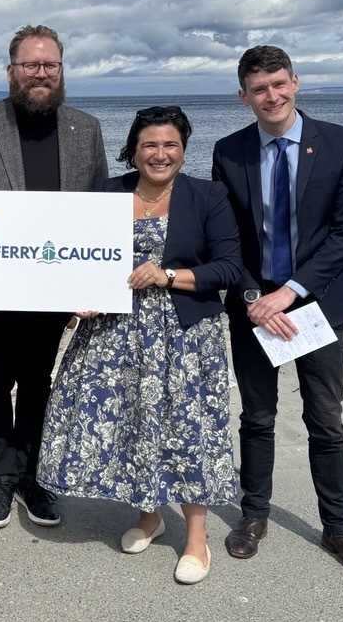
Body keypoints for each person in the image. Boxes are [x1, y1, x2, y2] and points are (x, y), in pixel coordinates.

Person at [37, 106, 242, 584]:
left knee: (187, 428)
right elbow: (77, 256)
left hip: (184, 335)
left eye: (170, 144)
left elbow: (229, 266)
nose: (160, 154)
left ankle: (196, 536)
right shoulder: (108, 191)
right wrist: (78, 298)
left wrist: (169, 275)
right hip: (115, 331)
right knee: (131, 420)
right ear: (133, 149)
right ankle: (148, 515)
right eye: (150, 144)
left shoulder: (207, 195)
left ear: (183, 150)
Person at [212, 45, 343, 581]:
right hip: (253, 309)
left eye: (279, 84)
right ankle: (253, 516)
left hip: (317, 306)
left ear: (296, 82)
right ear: (243, 97)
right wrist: (250, 300)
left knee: (325, 420)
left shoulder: (341, 143)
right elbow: (226, 237)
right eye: (259, 89)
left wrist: (288, 293)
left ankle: (339, 528)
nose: (272, 96)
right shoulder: (229, 151)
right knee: (257, 418)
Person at [0, 24, 108, 528]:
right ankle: (1, 476)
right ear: (11, 70)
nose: (40, 73)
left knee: (38, 379)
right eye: (30, 65)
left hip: (55, 283)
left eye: (49, 65)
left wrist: (95, 281)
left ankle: (33, 475)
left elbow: (101, 208)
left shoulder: (86, 128)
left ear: (61, 70)